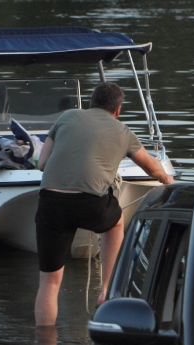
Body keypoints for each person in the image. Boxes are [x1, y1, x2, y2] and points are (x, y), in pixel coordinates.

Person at [34, 82, 175, 326]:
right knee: (116, 221)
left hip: (51, 203)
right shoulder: (122, 131)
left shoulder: (66, 117)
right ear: (117, 110)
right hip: (90, 203)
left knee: (49, 283)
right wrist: (167, 180)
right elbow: (150, 165)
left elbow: (42, 164)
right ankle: (107, 289)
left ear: (91, 103)